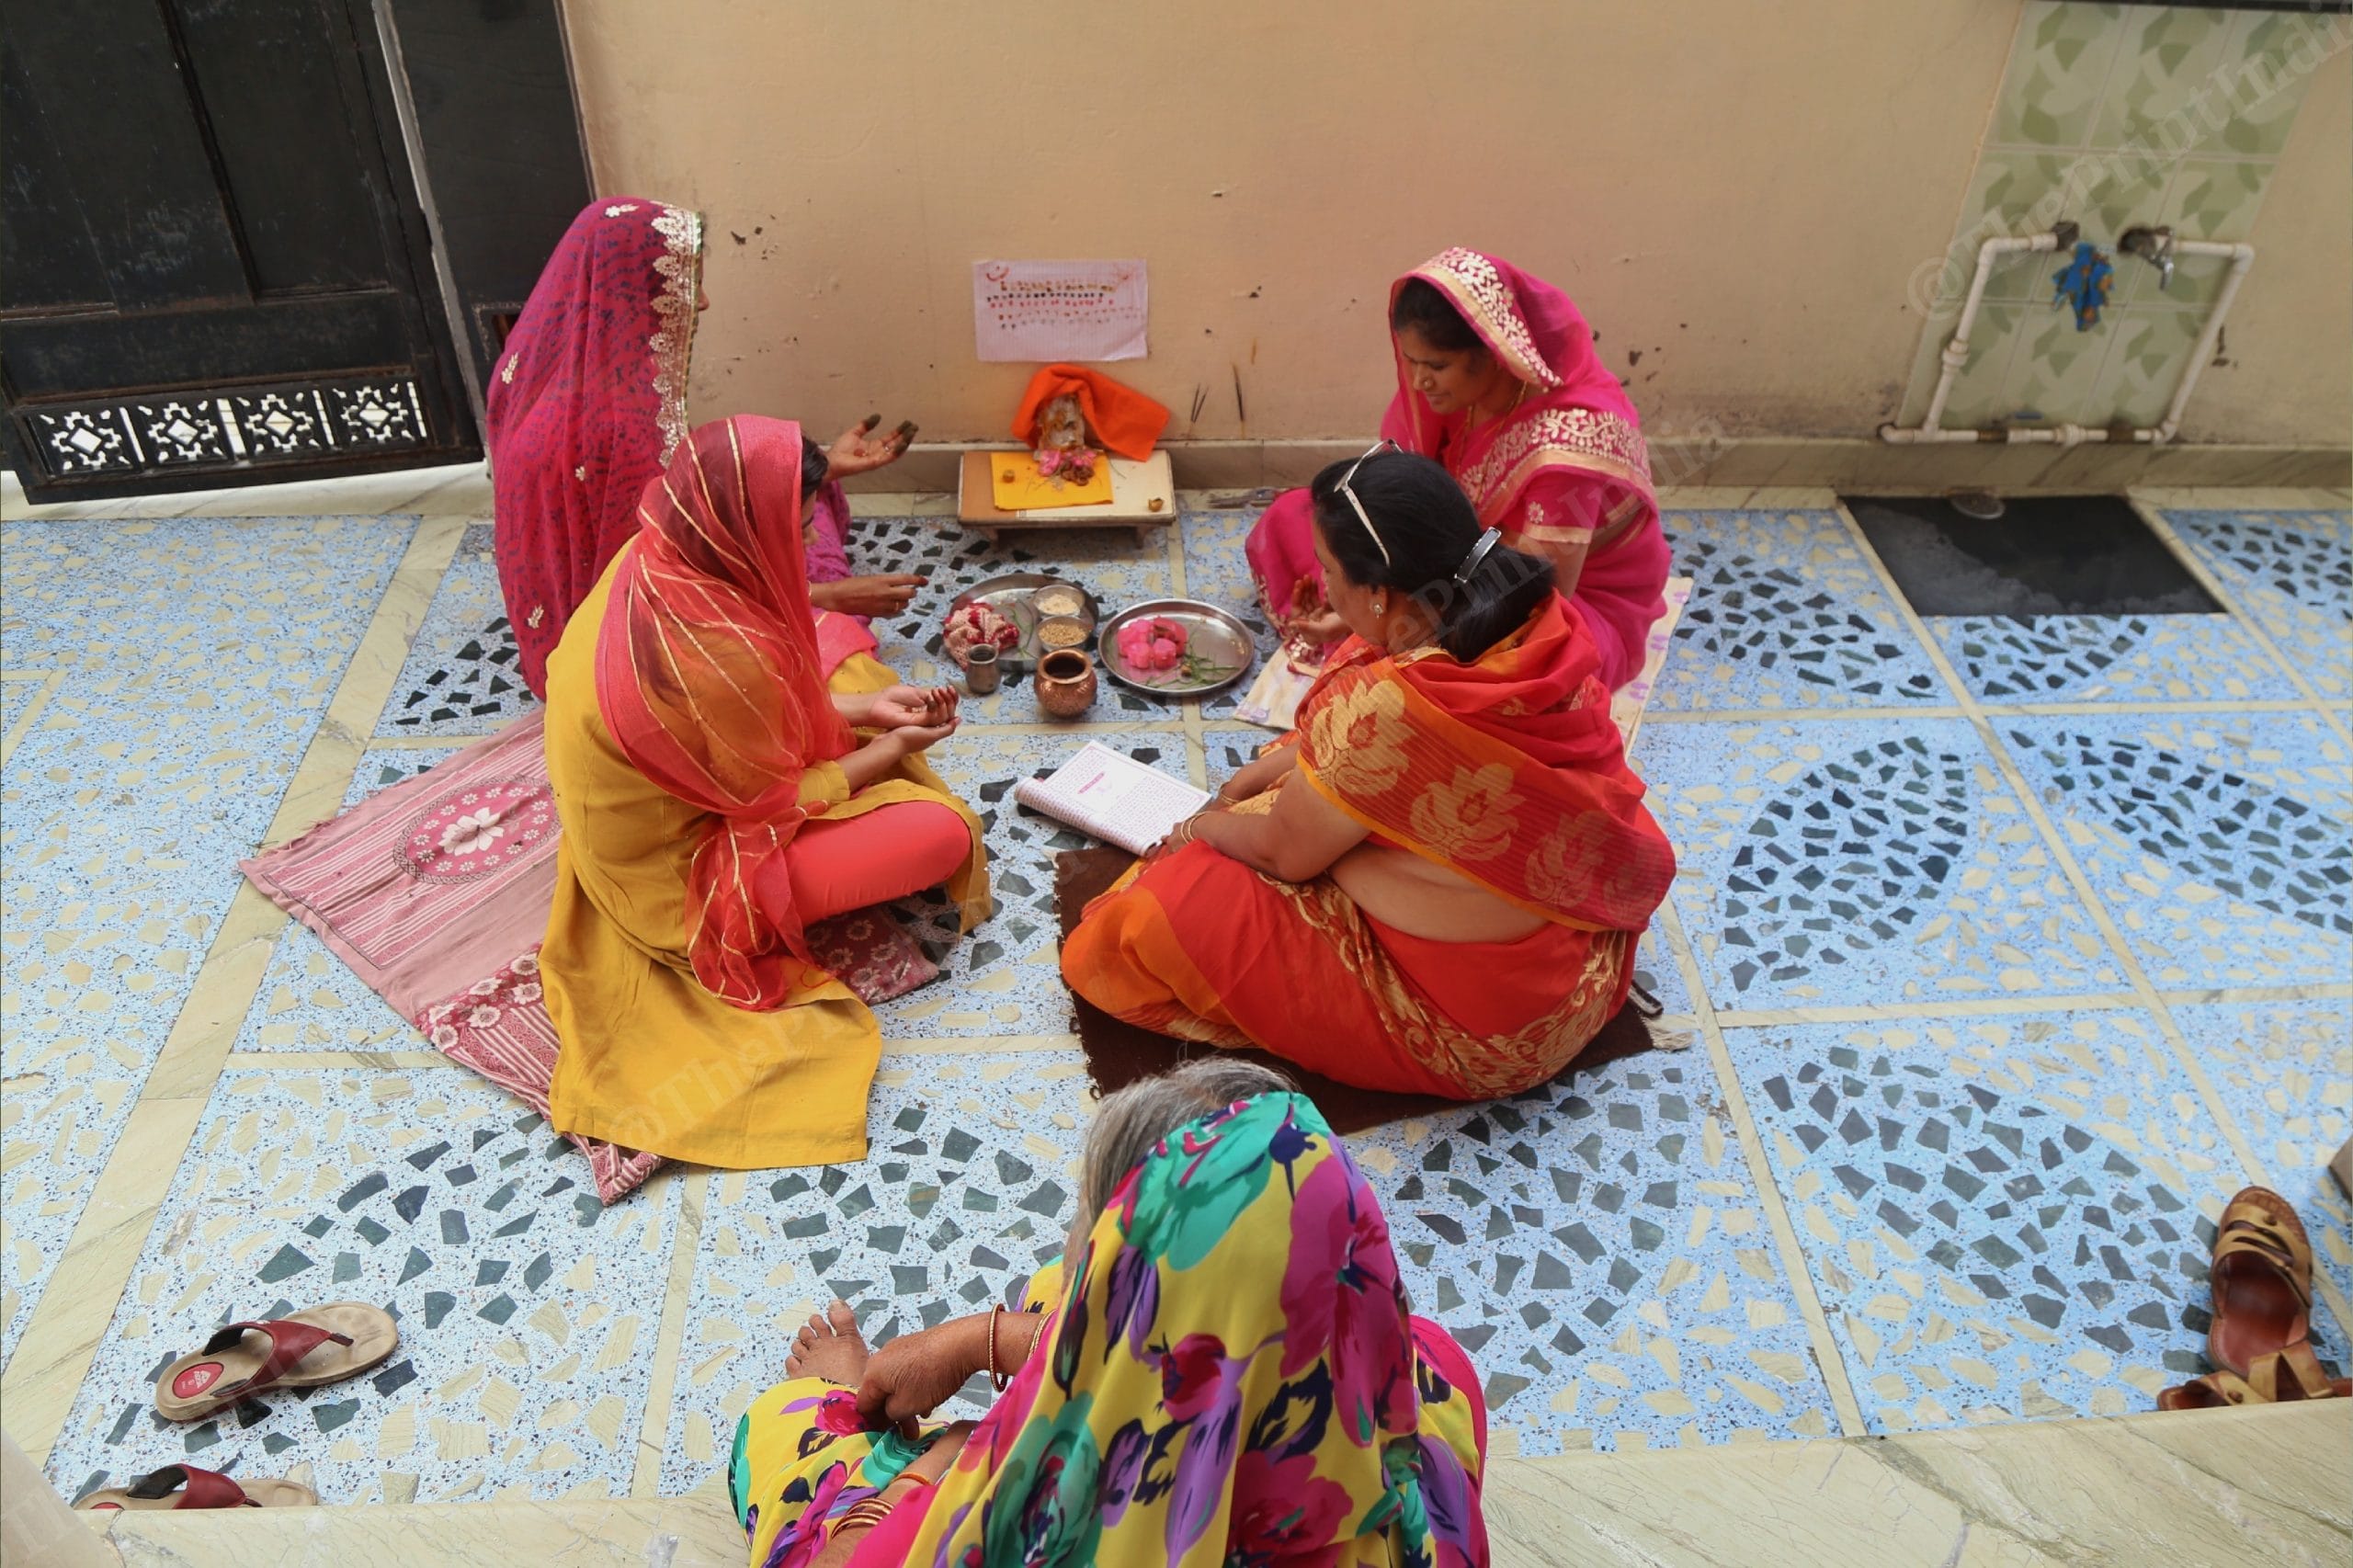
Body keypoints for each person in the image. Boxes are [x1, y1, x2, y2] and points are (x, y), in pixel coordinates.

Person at [1068, 450, 1675, 1100]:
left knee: (1128, 933)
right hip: (1581, 969)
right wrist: (1263, 778)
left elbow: (1285, 852)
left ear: (1383, 591)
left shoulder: (1395, 706)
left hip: (1485, 1034)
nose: (1325, 588)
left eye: (1331, 573)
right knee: (1281, 788)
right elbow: (1355, 728)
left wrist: (1201, 827)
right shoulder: (1534, 621)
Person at [728, 1060, 1492, 1567]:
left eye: (1093, 1229)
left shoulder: (1017, 1528)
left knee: (793, 1427)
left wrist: (931, 1464)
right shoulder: (1431, 1423)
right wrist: (982, 1340)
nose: (1074, 1239)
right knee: (1060, 1293)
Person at [538, 415, 988, 1168]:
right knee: (942, 833)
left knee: (837, 653)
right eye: (799, 527)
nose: (803, 544)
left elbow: (759, 710)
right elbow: (770, 800)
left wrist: (853, 712)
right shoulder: (718, 660)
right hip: (672, 878)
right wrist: (886, 747)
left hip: (636, 804)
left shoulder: (656, 546)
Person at [488, 198, 924, 697]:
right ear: (633, 291)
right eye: (684, 284)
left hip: (606, 611)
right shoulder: (618, 429)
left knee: (803, 490)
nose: (701, 302)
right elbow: (668, 592)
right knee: (847, 661)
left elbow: (687, 502)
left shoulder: (549, 367)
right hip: (634, 656)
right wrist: (824, 597)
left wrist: (818, 470)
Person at [1246, 247, 1667, 690]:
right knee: (1299, 516)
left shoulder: (1567, 448)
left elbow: (1531, 607)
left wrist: (1376, 614)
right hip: (1458, 568)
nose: (1417, 382)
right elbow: (1396, 513)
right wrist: (1362, 596)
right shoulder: (1450, 399)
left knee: (1477, 672)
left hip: (1555, 608)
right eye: (1410, 361)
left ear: (1493, 352)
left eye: (1436, 366)